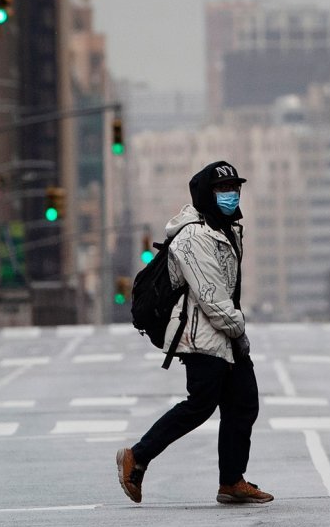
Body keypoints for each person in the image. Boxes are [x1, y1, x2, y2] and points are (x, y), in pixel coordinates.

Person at [116, 161, 272, 506]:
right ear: (205, 194)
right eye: (222, 190)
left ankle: (232, 481)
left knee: (243, 404)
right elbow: (212, 297)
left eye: (234, 188)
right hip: (202, 337)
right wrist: (239, 328)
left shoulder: (227, 229)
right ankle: (137, 457)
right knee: (200, 406)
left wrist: (235, 333)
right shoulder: (194, 237)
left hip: (223, 337)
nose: (230, 195)